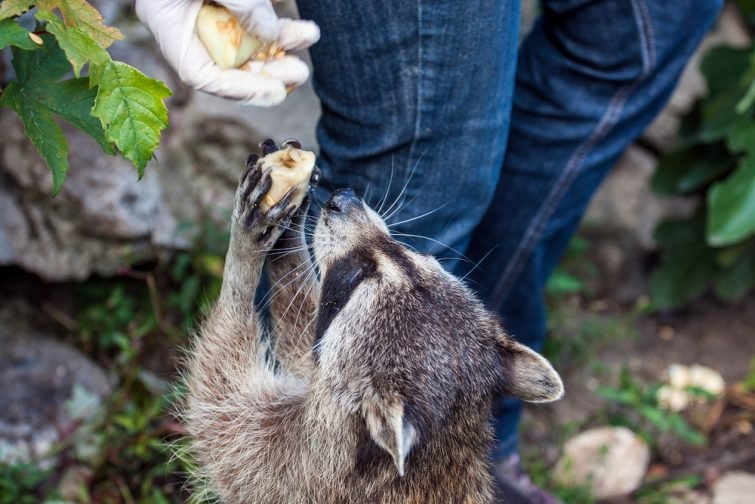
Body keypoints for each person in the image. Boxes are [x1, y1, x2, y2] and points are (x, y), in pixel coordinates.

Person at [136, 0, 724, 501]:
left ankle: (481, 431)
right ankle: (486, 434)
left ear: (371, 415)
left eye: (368, 271)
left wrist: (256, 249)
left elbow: (222, 413)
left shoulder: (350, 431)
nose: (357, 216)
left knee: (645, 33)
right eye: (410, 265)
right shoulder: (368, 417)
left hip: (365, 417)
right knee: (426, 156)